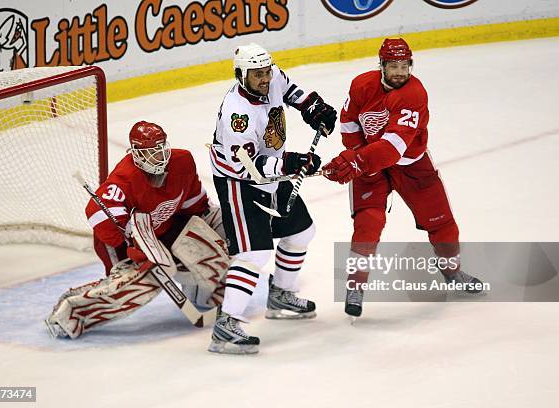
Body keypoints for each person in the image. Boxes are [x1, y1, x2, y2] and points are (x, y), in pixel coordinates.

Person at [322, 38, 483, 318]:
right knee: (367, 224)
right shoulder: (362, 85)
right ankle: (356, 287)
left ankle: (453, 272)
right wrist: (356, 154)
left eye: (404, 66)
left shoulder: (414, 94)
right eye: (393, 66)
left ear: (411, 66)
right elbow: (348, 121)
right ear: (381, 65)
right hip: (370, 165)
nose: (399, 72)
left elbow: (394, 146)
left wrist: (357, 162)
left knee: (443, 224)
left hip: (411, 164)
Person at [208, 43, 337, 354]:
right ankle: (225, 326)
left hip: (271, 172)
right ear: (241, 75)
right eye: (257, 75)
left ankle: (281, 294)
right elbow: (247, 167)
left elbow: (291, 90)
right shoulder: (237, 115)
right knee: (253, 254)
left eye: (266, 72)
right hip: (238, 182)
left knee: (302, 232)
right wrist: (291, 163)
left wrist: (313, 108)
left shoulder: (272, 75)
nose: (265, 79)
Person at [45, 121, 228, 338]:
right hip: (122, 244)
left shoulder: (182, 161)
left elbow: (195, 205)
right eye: (150, 152)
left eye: (160, 149)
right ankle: (72, 313)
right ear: (136, 153)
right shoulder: (124, 179)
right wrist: (131, 247)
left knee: (227, 225)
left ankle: (204, 291)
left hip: (162, 232)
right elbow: (96, 213)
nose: (158, 156)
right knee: (140, 286)